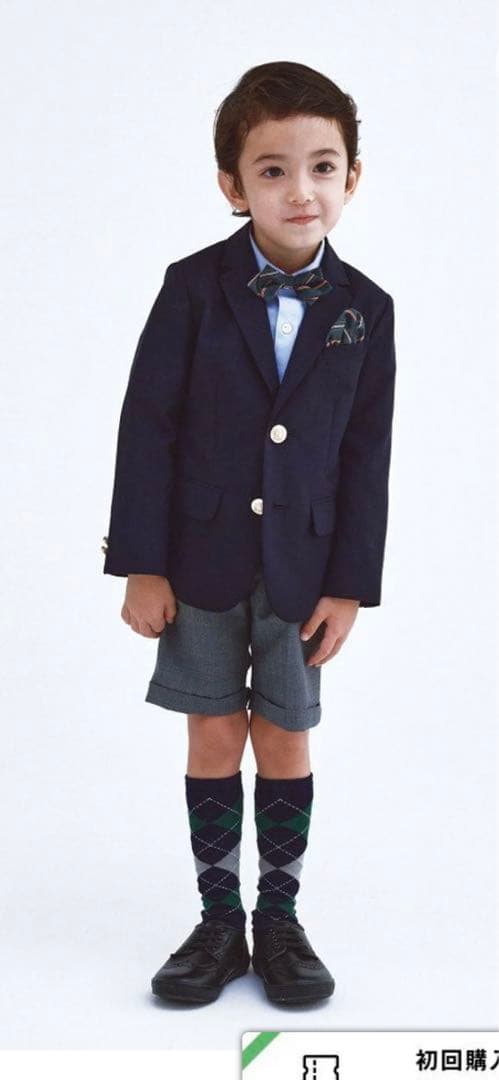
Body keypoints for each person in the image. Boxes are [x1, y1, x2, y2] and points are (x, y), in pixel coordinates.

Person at [102, 60, 396, 1008]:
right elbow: (148, 426)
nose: (299, 189)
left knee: (284, 735)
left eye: (322, 167)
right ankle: (217, 919)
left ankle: (279, 918)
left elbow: (365, 456)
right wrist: (142, 564)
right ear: (233, 185)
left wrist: (348, 583)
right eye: (272, 170)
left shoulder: (366, 310)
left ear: (351, 177)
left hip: (303, 570)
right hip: (198, 562)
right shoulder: (191, 288)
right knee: (214, 730)